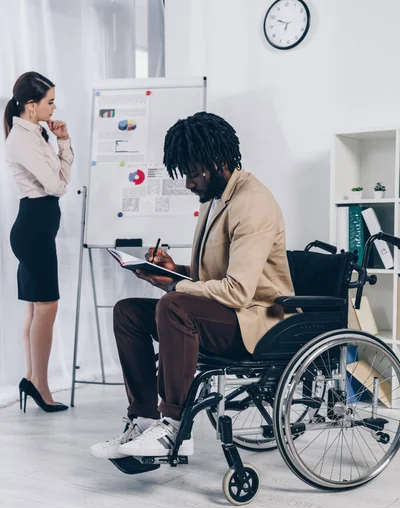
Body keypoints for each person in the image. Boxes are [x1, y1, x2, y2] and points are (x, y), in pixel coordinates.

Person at [90, 111, 294, 459]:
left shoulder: (253, 203)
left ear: (218, 162)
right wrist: (172, 272)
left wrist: (174, 288)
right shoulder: (218, 199)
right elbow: (212, 275)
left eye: (192, 173)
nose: (187, 183)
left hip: (257, 321)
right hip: (227, 312)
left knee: (173, 306)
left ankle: (174, 427)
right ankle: (142, 419)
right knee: (128, 312)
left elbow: (238, 291)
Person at [4, 72, 74, 413]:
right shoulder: (21, 139)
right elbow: (57, 185)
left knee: (35, 307)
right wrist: (60, 165)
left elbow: (59, 181)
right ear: (31, 105)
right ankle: (41, 387)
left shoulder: (37, 134)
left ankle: (32, 378)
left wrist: (63, 141)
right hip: (33, 227)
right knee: (47, 306)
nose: (54, 106)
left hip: (38, 226)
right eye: (49, 101)